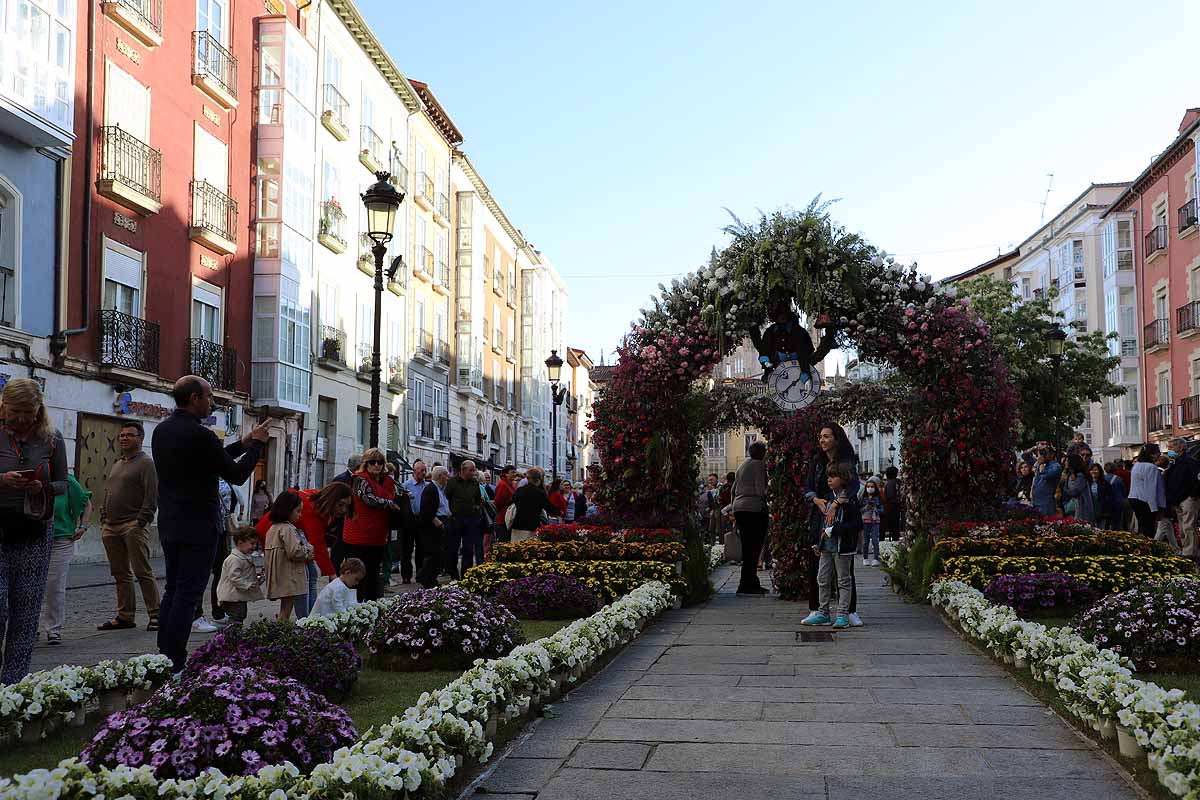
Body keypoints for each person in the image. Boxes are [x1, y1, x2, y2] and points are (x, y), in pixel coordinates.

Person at [152, 376, 269, 674]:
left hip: (170, 522)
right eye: (209, 396)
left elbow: (211, 460)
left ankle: (162, 655)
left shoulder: (162, 431)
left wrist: (240, 444)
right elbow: (238, 474)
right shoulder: (201, 435)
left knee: (173, 590)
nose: (213, 402)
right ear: (194, 399)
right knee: (188, 595)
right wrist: (256, 446)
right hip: (198, 525)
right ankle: (175, 661)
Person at [0, 379, 66, 683]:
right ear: (3, 406)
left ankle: (12, 686)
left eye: (29, 411)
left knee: (26, 613)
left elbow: (64, 484)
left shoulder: (52, 438)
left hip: (35, 531)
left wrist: (43, 487)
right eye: (15, 411)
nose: (22, 418)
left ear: (39, 409)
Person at [97, 420, 159, 632]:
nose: (124, 438)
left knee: (142, 571)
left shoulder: (146, 463)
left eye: (129, 435)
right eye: (122, 435)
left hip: (132, 524)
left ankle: (155, 615)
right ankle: (125, 616)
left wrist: (140, 522)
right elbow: (109, 491)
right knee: (120, 573)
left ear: (140, 438)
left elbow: (151, 496)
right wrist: (104, 516)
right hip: (111, 526)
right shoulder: (118, 463)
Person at [805, 423, 862, 626]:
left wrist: (838, 502)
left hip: (841, 514)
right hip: (820, 515)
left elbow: (854, 487)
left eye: (826, 436)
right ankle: (819, 610)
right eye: (820, 436)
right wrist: (817, 500)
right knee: (820, 569)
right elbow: (809, 488)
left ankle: (848, 612)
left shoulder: (847, 462)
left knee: (845, 571)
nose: (822, 440)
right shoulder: (817, 461)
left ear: (836, 439)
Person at [341, 447, 403, 601]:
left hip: (377, 537)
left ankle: (370, 608)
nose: (377, 465)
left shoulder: (388, 481)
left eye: (380, 462)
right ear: (365, 464)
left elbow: (397, 495)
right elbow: (368, 499)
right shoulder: (359, 479)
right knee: (357, 577)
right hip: (358, 537)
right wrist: (390, 503)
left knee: (373, 575)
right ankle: (354, 609)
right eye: (372, 462)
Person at [40, 473, 92, 644]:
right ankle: (28, 626)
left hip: (60, 539)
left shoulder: (66, 480)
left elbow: (86, 503)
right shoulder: (29, 477)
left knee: (54, 585)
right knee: (30, 586)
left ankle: (53, 629)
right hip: (32, 539)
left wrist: (83, 527)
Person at [263, 491, 312, 620]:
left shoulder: (273, 528)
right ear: (288, 509)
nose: (300, 515)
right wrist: (307, 550)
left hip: (280, 573)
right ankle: (281, 631)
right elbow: (294, 551)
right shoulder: (288, 529)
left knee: (285, 606)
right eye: (298, 511)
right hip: (289, 575)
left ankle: (280, 629)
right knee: (287, 607)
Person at [732, 441, 770, 595]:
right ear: (762, 453)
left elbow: (733, 489)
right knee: (754, 547)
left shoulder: (743, 465)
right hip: (753, 508)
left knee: (747, 547)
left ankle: (748, 582)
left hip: (739, 507)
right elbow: (761, 490)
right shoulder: (759, 465)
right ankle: (749, 584)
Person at [444, 460, 484, 579]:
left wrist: (476, 508)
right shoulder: (452, 482)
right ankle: (453, 574)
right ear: (463, 470)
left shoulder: (474, 483)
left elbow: (477, 499)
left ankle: (466, 574)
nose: (473, 473)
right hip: (456, 519)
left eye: (474, 470)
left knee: (468, 549)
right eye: (471, 470)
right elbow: (446, 497)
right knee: (453, 548)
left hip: (470, 519)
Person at [216, 527, 264, 623]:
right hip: (231, 596)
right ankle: (231, 635)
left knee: (240, 614)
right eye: (252, 543)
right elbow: (234, 577)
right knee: (237, 615)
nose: (254, 547)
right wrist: (247, 584)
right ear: (240, 543)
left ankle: (233, 634)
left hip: (236, 596)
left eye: (256, 544)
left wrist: (257, 578)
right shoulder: (234, 559)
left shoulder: (242, 557)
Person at [416, 466, 451, 588]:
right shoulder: (431, 489)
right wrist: (435, 520)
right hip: (432, 526)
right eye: (446, 475)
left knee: (438, 554)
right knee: (433, 553)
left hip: (441, 523)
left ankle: (429, 577)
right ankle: (425, 577)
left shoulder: (440, 489)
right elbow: (426, 509)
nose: (448, 478)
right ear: (440, 476)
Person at [1166, 438, 1199, 558]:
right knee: (1182, 527)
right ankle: (1186, 549)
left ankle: (1190, 552)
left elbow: (1196, 479)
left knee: (1189, 526)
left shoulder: (1189, 461)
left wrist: (1193, 495)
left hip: (1187, 498)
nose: (1169, 450)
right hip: (1178, 499)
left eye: (1171, 447)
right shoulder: (1173, 462)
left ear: (1180, 448)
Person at [510, 467, 560, 542]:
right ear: (538, 479)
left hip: (517, 525)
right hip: (533, 525)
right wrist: (558, 514)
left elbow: (512, 502)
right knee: (531, 549)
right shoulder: (540, 493)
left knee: (516, 549)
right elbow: (549, 507)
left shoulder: (519, 490)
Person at [399, 459, 428, 584]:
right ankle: (406, 575)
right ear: (414, 471)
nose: (424, 473)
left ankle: (420, 573)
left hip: (422, 520)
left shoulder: (427, 486)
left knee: (422, 548)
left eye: (425, 470)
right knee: (406, 549)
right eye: (421, 470)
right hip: (408, 520)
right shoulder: (405, 486)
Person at [1128, 445, 1165, 540]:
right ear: (1151, 454)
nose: (1160, 454)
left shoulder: (1137, 465)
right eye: (1158, 452)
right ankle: (1148, 549)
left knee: (1141, 526)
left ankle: (1141, 547)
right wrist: (1154, 508)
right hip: (1145, 501)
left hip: (1134, 498)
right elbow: (1151, 489)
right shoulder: (1151, 467)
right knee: (1149, 529)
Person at [1062, 453, 1098, 523]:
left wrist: (1065, 490)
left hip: (1081, 509)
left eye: (1067, 461)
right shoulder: (1070, 475)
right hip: (1073, 507)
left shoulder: (1080, 476)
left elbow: (1074, 491)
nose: (1065, 462)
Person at [1030, 447, 1063, 516]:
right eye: (1042, 453)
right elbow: (1024, 456)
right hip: (1035, 501)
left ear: (1052, 454)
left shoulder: (1056, 466)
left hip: (1046, 503)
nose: (1043, 455)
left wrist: (1041, 464)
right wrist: (1034, 448)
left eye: (1045, 453)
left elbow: (1045, 476)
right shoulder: (1041, 464)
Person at [492, 465, 517, 546]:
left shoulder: (509, 484)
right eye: (512, 472)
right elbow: (498, 502)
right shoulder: (503, 484)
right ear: (506, 474)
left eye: (515, 472)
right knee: (503, 543)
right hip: (503, 519)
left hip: (507, 518)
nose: (515, 474)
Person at [860, 477, 882, 566]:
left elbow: (882, 510)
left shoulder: (878, 498)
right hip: (865, 521)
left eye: (872, 486)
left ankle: (876, 558)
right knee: (865, 541)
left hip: (875, 521)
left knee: (875, 540)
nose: (870, 488)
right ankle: (865, 558)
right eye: (868, 486)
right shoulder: (863, 498)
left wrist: (876, 509)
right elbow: (859, 510)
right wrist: (866, 508)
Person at [1090, 463, 1119, 530]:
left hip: (1102, 513)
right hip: (1090, 512)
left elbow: (1111, 498)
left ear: (1100, 471)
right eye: (1091, 470)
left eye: (1096, 470)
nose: (1094, 471)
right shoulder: (1087, 484)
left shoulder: (1105, 484)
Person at [881, 466, 902, 541]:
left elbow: (889, 496)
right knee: (896, 527)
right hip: (898, 506)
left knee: (893, 526)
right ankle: (896, 539)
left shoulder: (889, 483)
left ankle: (894, 540)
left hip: (891, 508)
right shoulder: (898, 482)